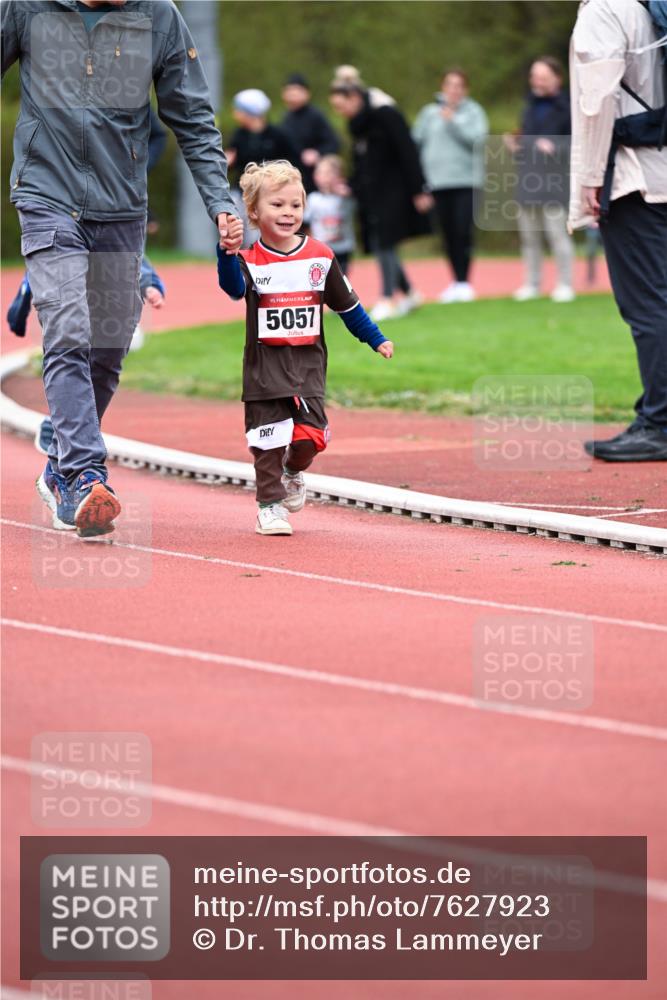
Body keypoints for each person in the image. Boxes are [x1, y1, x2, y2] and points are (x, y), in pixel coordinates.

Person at [1, 0, 243, 539]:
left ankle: (62, 462)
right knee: (67, 329)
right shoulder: (26, 8)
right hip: (47, 196)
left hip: (122, 205)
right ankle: (85, 475)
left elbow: (193, 116)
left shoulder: (158, 17)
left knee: (108, 351)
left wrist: (220, 202)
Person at [216, 160, 393, 536]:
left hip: (308, 367)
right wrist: (227, 253)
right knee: (267, 440)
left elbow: (349, 306)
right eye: (277, 205)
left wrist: (376, 338)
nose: (288, 213)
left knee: (309, 438)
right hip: (264, 368)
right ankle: (269, 506)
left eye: (295, 205)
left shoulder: (320, 256)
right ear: (254, 212)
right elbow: (232, 289)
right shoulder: (249, 260)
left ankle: (293, 471)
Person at [569, 0, 667, 462]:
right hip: (661, 169)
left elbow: (597, 99)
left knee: (649, 306)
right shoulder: (650, 7)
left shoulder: (604, 10)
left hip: (631, 178)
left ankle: (660, 422)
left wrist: (589, 177)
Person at [329, 67, 433, 322]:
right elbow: (361, 159)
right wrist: (351, 185)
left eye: (342, 106)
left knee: (386, 241)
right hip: (372, 192)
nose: (340, 112)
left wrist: (419, 188)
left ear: (354, 97)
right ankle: (409, 293)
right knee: (379, 242)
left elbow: (408, 150)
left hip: (394, 189)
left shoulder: (386, 114)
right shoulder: (357, 124)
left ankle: (388, 298)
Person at [413, 68, 489, 303]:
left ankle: (465, 282)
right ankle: (455, 281)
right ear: (443, 87)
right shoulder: (428, 113)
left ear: (465, 90)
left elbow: (478, 140)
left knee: (463, 231)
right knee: (447, 235)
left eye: (458, 86)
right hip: (437, 184)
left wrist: (454, 121)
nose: (453, 90)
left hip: (466, 182)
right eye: (449, 85)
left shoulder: (473, 111)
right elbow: (415, 142)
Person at [506, 57, 576, 303]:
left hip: (555, 182)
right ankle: (532, 284)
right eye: (534, 76)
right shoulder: (528, 106)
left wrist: (555, 146)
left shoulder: (569, 107)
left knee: (557, 234)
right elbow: (526, 139)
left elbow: (580, 144)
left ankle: (565, 284)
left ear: (557, 78)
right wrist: (515, 145)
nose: (537, 81)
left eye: (543, 76)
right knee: (529, 237)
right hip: (528, 180)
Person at [226, 88, 300, 246]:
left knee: (259, 236)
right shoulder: (239, 135)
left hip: (270, 194)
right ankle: (241, 265)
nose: (235, 114)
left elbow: (293, 164)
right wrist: (226, 163)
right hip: (243, 193)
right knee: (238, 230)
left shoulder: (278, 135)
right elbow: (230, 163)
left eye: (238, 110)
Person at [280, 72, 341, 193]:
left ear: (306, 93)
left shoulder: (316, 116)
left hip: (313, 178)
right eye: (289, 91)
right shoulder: (286, 117)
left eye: (296, 91)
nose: (293, 95)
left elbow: (334, 142)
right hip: (291, 176)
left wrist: (317, 153)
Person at [304, 154, 355, 275]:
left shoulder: (346, 198)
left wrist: (348, 193)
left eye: (328, 173)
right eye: (320, 173)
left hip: (343, 247)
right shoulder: (313, 199)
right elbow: (305, 222)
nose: (324, 177)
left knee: (342, 281)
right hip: (322, 249)